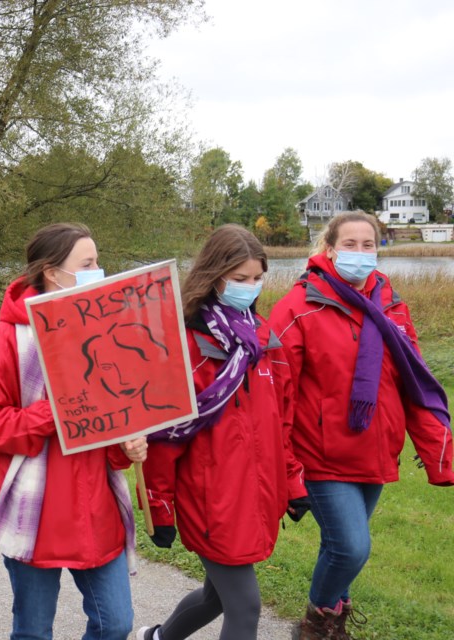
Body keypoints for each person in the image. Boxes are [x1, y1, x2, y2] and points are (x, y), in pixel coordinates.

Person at [268, 212, 454, 639]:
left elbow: (416, 383)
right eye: (349, 244)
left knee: (339, 548)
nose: (359, 252)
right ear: (329, 249)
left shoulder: (390, 305)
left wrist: (439, 454)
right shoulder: (299, 306)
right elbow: (277, 396)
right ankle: (315, 626)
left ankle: (334, 625)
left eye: (367, 244)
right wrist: (287, 469)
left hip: (374, 448)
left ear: (378, 249)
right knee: (352, 547)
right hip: (321, 454)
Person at [0, 222, 149, 640]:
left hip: (97, 511)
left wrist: (127, 446)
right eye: (88, 263)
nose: (98, 271)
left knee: (115, 623)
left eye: (97, 262)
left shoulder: (105, 334)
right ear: (52, 272)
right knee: (33, 632)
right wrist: (58, 410)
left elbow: (112, 425)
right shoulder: (5, 339)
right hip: (36, 516)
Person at [135, 225, 306, 640]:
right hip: (210, 500)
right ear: (214, 277)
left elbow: (279, 424)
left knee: (217, 597)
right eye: (240, 279)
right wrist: (159, 507)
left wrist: (293, 482)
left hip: (254, 496)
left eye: (258, 278)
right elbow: (164, 437)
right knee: (245, 608)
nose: (251, 287)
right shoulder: (185, 345)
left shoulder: (265, 340)